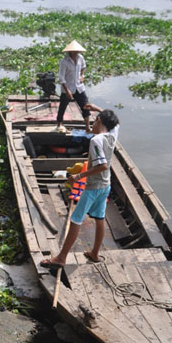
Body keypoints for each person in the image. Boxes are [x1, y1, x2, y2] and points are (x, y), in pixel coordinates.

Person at [40, 109, 120, 269]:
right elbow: (116, 123)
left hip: (93, 187)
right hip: (106, 185)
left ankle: (61, 258)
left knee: (76, 219)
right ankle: (95, 253)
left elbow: (102, 165)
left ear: (98, 120)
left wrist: (79, 176)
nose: (92, 125)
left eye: (94, 122)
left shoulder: (96, 141)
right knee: (99, 218)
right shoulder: (113, 135)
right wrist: (98, 109)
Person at [56, 40, 91, 133]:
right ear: (70, 51)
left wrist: (82, 76)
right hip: (68, 87)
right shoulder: (64, 61)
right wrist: (67, 91)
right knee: (62, 107)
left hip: (79, 87)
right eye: (75, 51)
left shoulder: (80, 58)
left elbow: (84, 67)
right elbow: (61, 77)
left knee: (85, 106)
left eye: (77, 51)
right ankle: (59, 124)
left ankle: (88, 127)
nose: (77, 52)